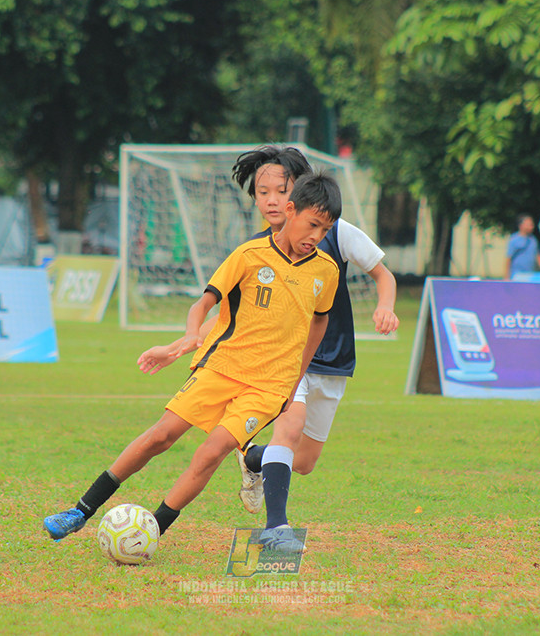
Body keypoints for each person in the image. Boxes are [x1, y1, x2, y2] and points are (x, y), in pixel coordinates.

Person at [43, 171, 342, 554]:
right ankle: (81, 510)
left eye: (325, 230)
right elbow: (204, 303)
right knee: (160, 436)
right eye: (312, 225)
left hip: (269, 387)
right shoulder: (249, 255)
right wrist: (187, 337)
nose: (315, 236)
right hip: (221, 368)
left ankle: (152, 530)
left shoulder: (325, 271)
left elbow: (319, 323)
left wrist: (293, 380)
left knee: (212, 452)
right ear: (290, 210)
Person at [139, 144, 399, 552]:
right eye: (265, 192)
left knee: (305, 462)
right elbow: (225, 317)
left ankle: (254, 458)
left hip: (333, 363)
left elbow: (383, 275)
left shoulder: (337, 230)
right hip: (281, 365)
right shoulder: (261, 249)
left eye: (282, 189)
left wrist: (385, 308)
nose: (274, 200)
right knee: (289, 430)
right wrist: (179, 344)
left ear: (302, 192)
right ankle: (278, 528)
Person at [505, 213, 540, 279]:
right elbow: (508, 258)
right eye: (529, 224)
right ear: (521, 225)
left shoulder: (533, 240)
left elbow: (537, 256)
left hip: (529, 275)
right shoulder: (514, 239)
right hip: (517, 275)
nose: (531, 227)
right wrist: (507, 277)